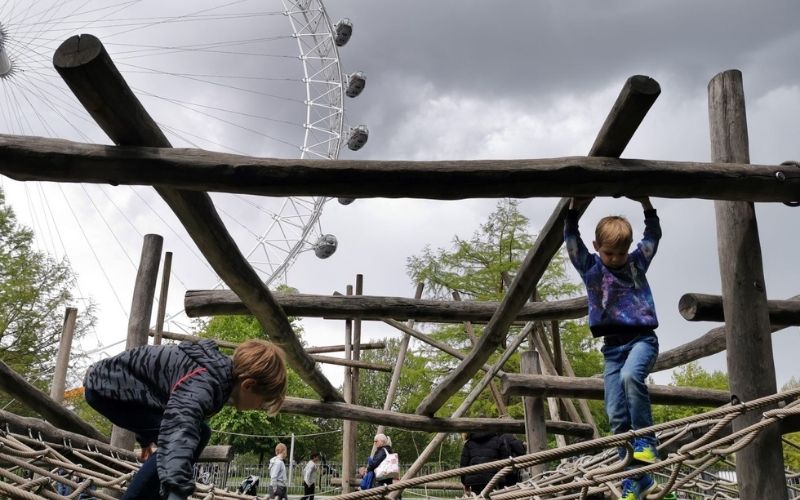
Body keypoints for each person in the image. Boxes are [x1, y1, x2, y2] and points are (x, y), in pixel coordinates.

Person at [83, 339, 287, 500]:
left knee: (202, 431)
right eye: (262, 403)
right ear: (248, 385)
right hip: (106, 389)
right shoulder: (205, 382)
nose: (259, 408)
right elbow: (180, 429)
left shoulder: (217, 375)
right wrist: (178, 489)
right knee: (195, 434)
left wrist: (145, 439)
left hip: (121, 391)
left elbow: (147, 389)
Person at [564, 196, 661, 499]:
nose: (616, 258)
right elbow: (570, 240)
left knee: (631, 377)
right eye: (609, 252)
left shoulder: (636, 263)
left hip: (642, 339)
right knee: (615, 414)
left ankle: (647, 442)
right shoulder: (591, 268)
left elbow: (653, 236)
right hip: (612, 349)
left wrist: (646, 203)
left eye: (621, 252)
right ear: (596, 247)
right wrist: (573, 208)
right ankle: (634, 477)